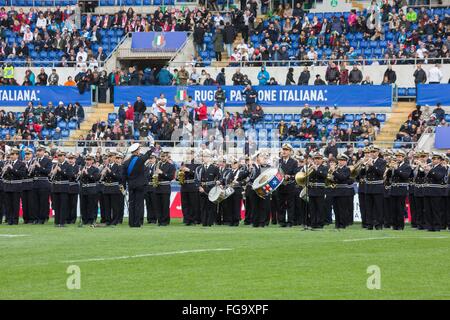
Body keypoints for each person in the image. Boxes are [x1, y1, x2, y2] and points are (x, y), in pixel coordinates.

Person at [122, 143, 153, 227]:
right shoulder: (139, 159)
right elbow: (147, 155)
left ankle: (131, 223)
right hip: (140, 185)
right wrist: (152, 147)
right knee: (138, 204)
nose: (140, 151)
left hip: (131, 186)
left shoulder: (125, 162)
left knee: (131, 204)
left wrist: (124, 188)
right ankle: (137, 222)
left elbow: (123, 177)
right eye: (139, 150)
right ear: (136, 151)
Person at [360, 146, 386, 230]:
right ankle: (369, 224)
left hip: (377, 187)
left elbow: (381, 173)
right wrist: (363, 166)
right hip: (368, 187)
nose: (372, 153)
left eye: (374, 152)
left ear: (378, 153)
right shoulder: (367, 161)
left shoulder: (382, 161)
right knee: (368, 207)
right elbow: (361, 174)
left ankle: (378, 224)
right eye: (371, 152)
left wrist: (372, 165)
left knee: (378, 207)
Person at [423, 152, 446, 232]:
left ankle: (437, 226)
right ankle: (429, 226)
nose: (434, 160)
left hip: (436, 191)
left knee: (436, 210)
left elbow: (439, 177)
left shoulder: (442, 168)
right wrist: (424, 170)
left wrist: (430, 170)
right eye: (433, 158)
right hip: (427, 191)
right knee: (427, 210)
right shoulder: (430, 167)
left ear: (440, 160)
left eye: (436, 159)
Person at [389, 150, 412, 230]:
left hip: (401, 189)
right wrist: (390, 169)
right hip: (393, 189)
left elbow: (405, 176)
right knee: (393, 208)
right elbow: (389, 177)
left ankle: (400, 225)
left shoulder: (407, 166)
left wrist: (397, 169)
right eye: (397, 157)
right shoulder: (394, 165)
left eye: (399, 157)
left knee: (400, 208)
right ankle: (394, 225)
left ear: (403, 157)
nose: (398, 158)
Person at [3, 149, 26, 225]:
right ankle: (9, 219)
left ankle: (15, 220)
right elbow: (4, 175)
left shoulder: (21, 164)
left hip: (16, 186)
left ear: (17, 155)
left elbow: (22, 174)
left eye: (13, 154)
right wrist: (5, 170)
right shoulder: (7, 163)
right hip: (8, 186)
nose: (11, 156)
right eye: (11, 154)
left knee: (15, 204)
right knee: (8, 204)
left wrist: (12, 169)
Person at [197, 150, 220, 227]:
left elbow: (220, 178)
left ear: (210, 158)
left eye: (206, 156)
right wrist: (199, 187)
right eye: (203, 156)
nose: (204, 158)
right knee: (203, 207)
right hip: (202, 189)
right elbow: (196, 179)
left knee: (211, 207)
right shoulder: (199, 168)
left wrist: (218, 182)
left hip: (211, 189)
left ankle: (210, 223)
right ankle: (204, 222)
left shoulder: (215, 168)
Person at [50, 150, 73, 227]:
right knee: (56, 206)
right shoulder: (54, 165)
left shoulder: (68, 165)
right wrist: (53, 172)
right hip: (56, 187)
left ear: (64, 157)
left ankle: (62, 222)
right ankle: (56, 222)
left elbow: (69, 176)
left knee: (63, 206)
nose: (59, 158)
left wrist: (61, 171)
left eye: (61, 156)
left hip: (64, 187)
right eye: (58, 156)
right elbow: (51, 177)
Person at [153, 152, 176, 226]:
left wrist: (162, 173)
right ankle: (159, 220)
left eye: (163, 156)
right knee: (158, 205)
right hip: (157, 187)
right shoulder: (158, 165)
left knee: (165, 205)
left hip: (165, 187)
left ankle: (165, 221)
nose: (162, 158)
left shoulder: (171, 166)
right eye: (161, 156)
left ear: (167, 157)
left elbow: (171, 177)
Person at [101, 152, 124, 226]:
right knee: (107, 206)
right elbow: (103, 179)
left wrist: (110, 172)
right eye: (109, 156)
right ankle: (108, 220)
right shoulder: (107, 166)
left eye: (111, 156)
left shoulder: (118, 166)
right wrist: (103, 175)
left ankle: (115, 220)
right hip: (107, 188)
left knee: (115, 206)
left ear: (114, 158)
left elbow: (119, 177)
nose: (109, 158)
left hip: (114, 188)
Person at [278, 144, 298, 227]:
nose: (284, 151)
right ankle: (282, 222)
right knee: (281, 205)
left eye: (286, 150)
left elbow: (296, 174)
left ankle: (290, 222)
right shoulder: (278, 161)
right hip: (280, 186)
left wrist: (289, 176)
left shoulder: (294, 162)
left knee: (290, 205)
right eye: (283, 149)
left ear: (290, 152)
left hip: (290, 186)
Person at [332, 154, 354, 229]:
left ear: (345, 162)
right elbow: (333, 179)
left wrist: (334, 172)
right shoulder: (336, 169)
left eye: (342, 160)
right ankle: (337, 224)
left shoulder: (347, 169)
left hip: (343, 191)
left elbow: (342, 177)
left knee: (342, 209)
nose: (340, 162)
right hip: (335, 191)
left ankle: (342, 224)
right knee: (336, 209)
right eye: (339, 160)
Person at [178, 152, 200, 226]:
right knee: (185, 204)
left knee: (193, 204)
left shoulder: (197, 164)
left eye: (190, 154)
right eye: (187, 154)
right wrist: (180, 173)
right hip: (184, 185)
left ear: (193, 155)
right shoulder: (183, 163)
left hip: (192, 185)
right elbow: (180, 173)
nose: (188, 155)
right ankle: (186, 220)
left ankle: (193, 220)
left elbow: (197, 175)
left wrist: (189, 170)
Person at [308, 153, 328, 229]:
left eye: (319, 159)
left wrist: (317, 169)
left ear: (322, 160)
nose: (317, 160)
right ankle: (313, 223)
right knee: (312, 208)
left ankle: (320, 223)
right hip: (312, 190)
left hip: (320, 190)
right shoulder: (310, 167)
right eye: (316, 159)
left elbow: (325, 176)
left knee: (320, 208)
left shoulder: (324, 167)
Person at [32, 145, 52, 224]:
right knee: (35, 202)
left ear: (44, 151)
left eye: (40, 151)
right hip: (35, 183)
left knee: (43, 202)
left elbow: (47, 171)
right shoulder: (35, 160)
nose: (38, 152)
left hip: (43, 183)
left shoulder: (48, 160)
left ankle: (43, 218)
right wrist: (31, 168)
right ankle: (36, 218)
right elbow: (31, 173)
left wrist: (39, 166)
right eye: (37, 151)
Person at [79, 154, 100, 225]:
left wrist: (87, 174)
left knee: (91, 205)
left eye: (89, 160)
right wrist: (80, 174)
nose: (88, 161)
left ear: (92, 161)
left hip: (91, 189)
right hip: (83, 188)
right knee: (83, 205)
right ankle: (84, 219)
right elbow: (78, 179)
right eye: (87, 160)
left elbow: (96, 178)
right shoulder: (82, 168)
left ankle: (92, 219)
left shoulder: (95, 169)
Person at [67, 153, 80, 224]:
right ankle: (67, 218)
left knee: (73, 204)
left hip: (74, 187)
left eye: (72, 159)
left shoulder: (78, 167)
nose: (70, 160)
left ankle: (73, 219)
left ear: (75, 159)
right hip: (66, 187)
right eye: (69, 159)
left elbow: (76, 177)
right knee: (67, 204)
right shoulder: (66, 166)